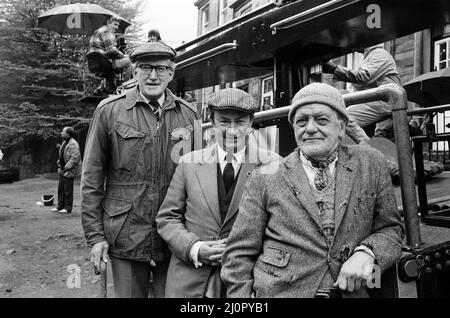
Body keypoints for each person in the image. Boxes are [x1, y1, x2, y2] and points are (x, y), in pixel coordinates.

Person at [221, 83, 404, 298]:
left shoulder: (371, 163)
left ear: (342, 127)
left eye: (321, 120)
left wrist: (367, 252)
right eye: (301, 121)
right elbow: (238, 257)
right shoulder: (264, 177)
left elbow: (392, 229)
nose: (310, 128)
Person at [80, 41, 199, 298]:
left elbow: (198, 179)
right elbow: (91, 179)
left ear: (171, 72)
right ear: (134, 71)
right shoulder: (109, 111)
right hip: (125, 236)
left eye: (160, 68)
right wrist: (95, 237)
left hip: (174, 237)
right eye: (145, 67)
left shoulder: (189, 115)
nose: (153, 75)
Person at [156, 88, 280, 298]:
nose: (232, 131)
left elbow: (281, 227)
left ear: (251, 124)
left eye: (240, 122)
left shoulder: (275, 164)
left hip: (247, 283)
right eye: (224, 122)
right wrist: (194, 248)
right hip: (189, 282)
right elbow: (167, 218)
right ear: (212, 123)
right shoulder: (188, 163)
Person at [321, 44, 401, 143]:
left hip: (384, 100)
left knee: (343, 117)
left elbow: (364, 77)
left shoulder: (379, 54)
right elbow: (362, 85)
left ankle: (370, 150)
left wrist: (334, 69)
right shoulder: (370, 56)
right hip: (377, 100)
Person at [88, 16, 132, 94]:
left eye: (117, 25)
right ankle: (127, 87)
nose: (117, 27)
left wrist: (123, 55)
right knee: (132, 61)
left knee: (127, 58)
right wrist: (125, 55)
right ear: (108, 22)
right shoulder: (106, 31)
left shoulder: (98, 31)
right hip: (105, 62)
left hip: (98, 61)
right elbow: (111, 51)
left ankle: (106, 86)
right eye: (115, 24)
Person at [51, 127, 81, 214]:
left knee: (68, 189)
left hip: (69, 170)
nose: (61, 132)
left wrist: (66, 168)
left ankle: (68, 208)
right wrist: (59, 164)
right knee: (61, 189)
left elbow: (75, 158)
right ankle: (60, 206)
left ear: (68, 134)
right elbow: (62, 154)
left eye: (63, 131)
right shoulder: (65, 142)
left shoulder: (74, 144)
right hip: (62, 169)